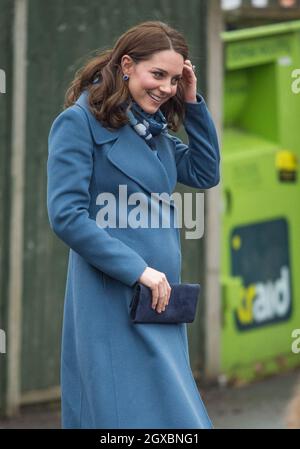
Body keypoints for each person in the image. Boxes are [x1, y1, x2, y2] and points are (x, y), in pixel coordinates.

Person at [47, 20, 220, 429]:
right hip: (111, 296)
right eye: (157, 74)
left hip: (159, 301)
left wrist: (193, 102)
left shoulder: (153, 131)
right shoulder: (78, 123)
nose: (166, 88)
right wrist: (137, 270)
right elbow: (67, 215)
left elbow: (205, 170)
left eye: (175, 79)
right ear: (127, 65)